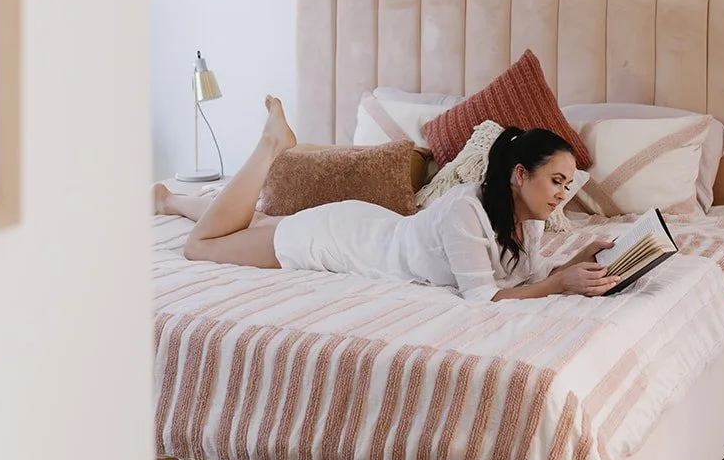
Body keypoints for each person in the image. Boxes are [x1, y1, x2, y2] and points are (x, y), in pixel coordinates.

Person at [153, 96, 614, 304]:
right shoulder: (465, 211)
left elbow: (526, 279)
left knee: (255, 223)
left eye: (566, 184)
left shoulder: (526, 219)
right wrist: (561, 285)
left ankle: (172, 201)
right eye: (557, 181)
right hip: (341, 241)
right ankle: (272, 145)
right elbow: (485, 296)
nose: (562, 194)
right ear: (520, 175)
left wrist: (576, 261)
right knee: (202, 247)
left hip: (367, 228)